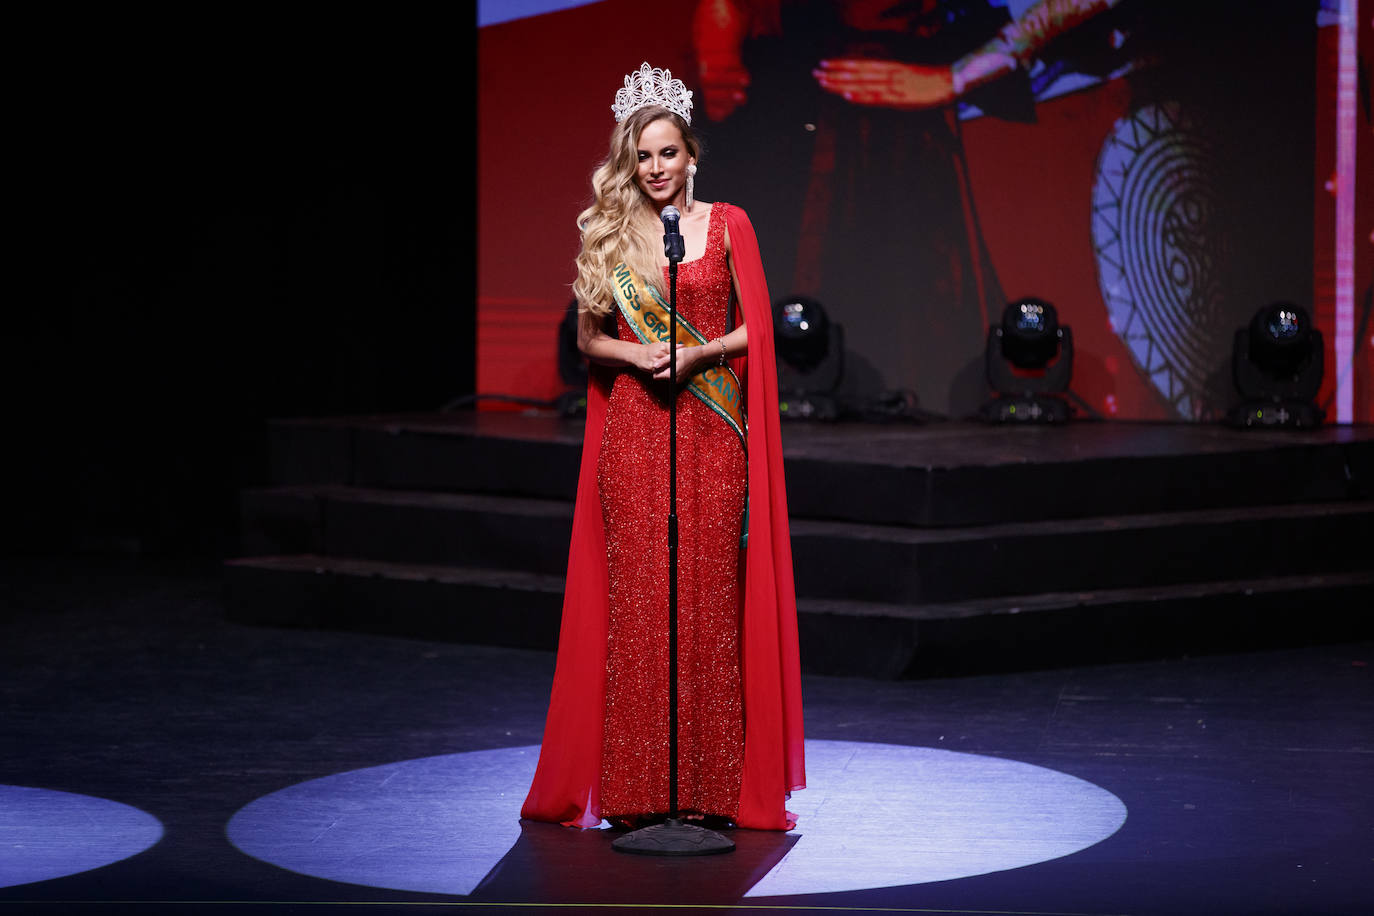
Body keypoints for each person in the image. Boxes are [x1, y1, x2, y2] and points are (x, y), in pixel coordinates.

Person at [521, 63, 805, 831]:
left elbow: (759, 331)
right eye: (642, 156)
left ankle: (712, 791)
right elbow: (588, 340)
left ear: (691, 155)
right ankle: (639, 794)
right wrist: (636, 355)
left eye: (668, 153)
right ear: (629, 160)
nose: (655, 169)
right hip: (637, 433)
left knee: (708, 606)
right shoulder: (611, 232)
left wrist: (702, 355)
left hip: (713, 436)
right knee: (642, 612)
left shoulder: (729, 225)